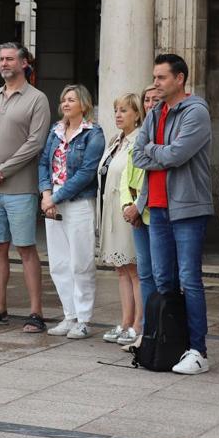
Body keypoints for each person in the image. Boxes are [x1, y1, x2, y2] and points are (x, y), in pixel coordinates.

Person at [132, 54, 214, 375]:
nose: (155, 83)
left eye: (162, 78)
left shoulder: (196, 112)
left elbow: (178, 154)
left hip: (187, 207)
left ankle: (198, 349)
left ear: (180, 79)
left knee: (189, 279)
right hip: (158, 207)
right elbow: (138, 155)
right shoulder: (154, 112)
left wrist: (155, 151)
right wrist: (159, 152)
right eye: (154, 77)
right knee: (162, 279)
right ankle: (168, 342)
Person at [0, 43, 50, 332]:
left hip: (20, 188)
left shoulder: (36, 99)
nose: (4, 63)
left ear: (24, 62)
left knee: (26, 248)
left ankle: (36, 313)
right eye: (1, 58)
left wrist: (3, 170)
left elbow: (35, 142)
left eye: (10, 59)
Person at [38, 84, 105, 339]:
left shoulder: (93, 133)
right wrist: (46, 194)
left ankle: (84, 319)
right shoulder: (56, 131)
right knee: (59, 263)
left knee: (81, 262)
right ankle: (70, 315)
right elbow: (44, 162)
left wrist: (55, 196)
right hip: (52, 201)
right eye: (64, 100)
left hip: (77, 202)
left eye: (71, 100)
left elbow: (87, 173)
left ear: (84, 105)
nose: (66, 104)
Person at [98, 93, 143, 345]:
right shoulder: (116, 140)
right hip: (111, 209)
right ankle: (125, 321)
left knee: (134, 268)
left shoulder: (138, 141)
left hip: (127, 209)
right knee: (121, 269)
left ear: (137, 115)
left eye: (124, 110)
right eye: (116, 110)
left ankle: (138, 323)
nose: (118, 115)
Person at [119, 85, 161, 350]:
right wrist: (127, 202)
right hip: (136, 212)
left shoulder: (164, 131)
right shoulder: (141, 134)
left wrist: (138, 204)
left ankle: (159, 329)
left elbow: (152, 174)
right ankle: (144, 330)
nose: (150, 102)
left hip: (152, 210)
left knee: (160, 274)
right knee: (144, 273)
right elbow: (128, 173)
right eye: (147, 99)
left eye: (156, 98)